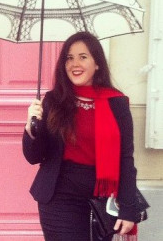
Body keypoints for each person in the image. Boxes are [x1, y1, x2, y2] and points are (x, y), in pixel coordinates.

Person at [22, 31, 139, 241]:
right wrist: (31, 128)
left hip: (103, 199)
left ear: (97, 64)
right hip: (59, 196)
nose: (75, 63)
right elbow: (34, 157)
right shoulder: (53, 101)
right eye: (69, 57)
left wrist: (129, 209)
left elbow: (126, 159)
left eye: (83, 57)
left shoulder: (117, 103)